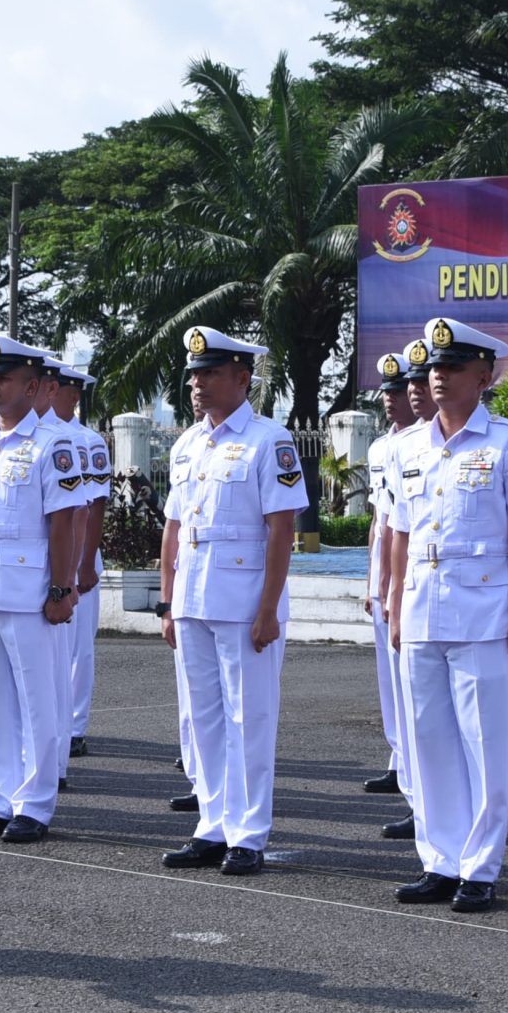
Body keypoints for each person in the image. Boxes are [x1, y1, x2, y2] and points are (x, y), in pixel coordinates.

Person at [386, 318, 508, 913]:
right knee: (428, 740)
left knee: (485, 744)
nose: (439, 376)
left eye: (453, 367)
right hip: (422, 608)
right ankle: (440, 858)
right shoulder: (408, 447)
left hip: (485, 611)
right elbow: (401, 533)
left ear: (485, 375)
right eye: (434, 367)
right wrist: (393, 604)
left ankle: (480, 867)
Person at [156, 328, 306, 876]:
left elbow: (281, 528)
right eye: (194, 374)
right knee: (203, 720)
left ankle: (247, 833)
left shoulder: (271, 440)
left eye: (209, 373)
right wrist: (169, 602)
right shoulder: (187, 443)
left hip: (245, 600)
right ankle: (211, 825)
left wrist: (269, 607)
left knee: (250, 718)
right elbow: (174, 528)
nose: (197, 383)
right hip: (194, 596)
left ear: (242, 379)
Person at [0, 332, 79, 841]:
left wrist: (62, 589)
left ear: (34, 387)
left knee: (36, 695)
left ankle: (35, 802)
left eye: (5, 378)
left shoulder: (53, 444)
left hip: (28, 585)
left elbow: (65, 523)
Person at [363, 350, 418, 808]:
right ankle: (398, 759)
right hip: (386, 574)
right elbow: (379, 523)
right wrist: (371, 582)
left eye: (396, 391)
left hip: (414, 579)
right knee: (389, 678)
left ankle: (415, 778)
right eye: (386, 392)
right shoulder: (381, 448)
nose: (389, 400)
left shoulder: (418, 446)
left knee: (411, 681)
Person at [51, 363, 111, 761]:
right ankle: (52, 724)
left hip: (79, 559)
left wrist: (86, 562)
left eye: (65, 390)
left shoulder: (86, 442)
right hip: (48, 558)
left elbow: (94, 506)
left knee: (77, 650)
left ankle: (74, 727)